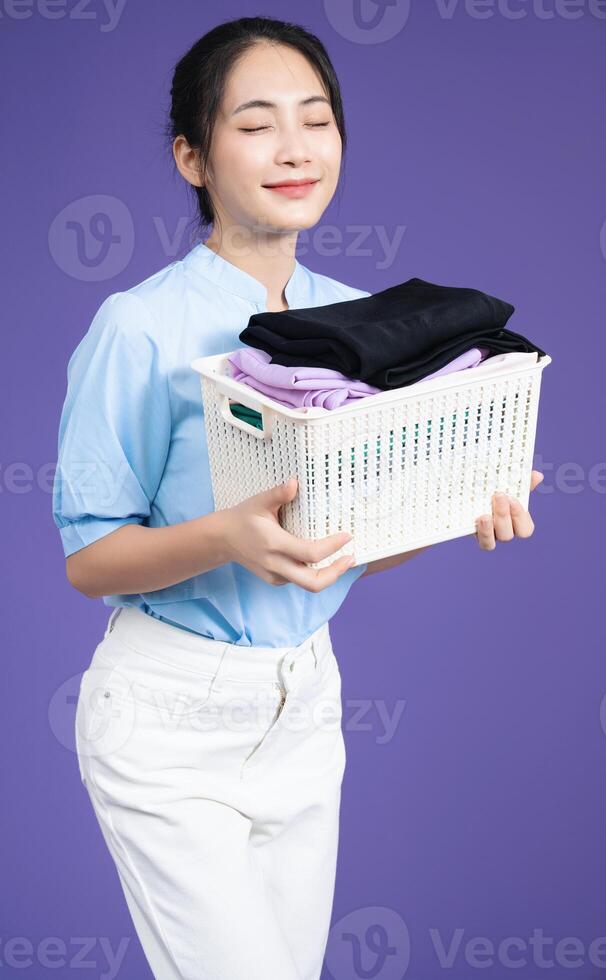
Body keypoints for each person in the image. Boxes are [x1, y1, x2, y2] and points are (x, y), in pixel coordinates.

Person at [53, 16, 543, 980]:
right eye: (256, 124)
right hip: (170, 717)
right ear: (193, 157)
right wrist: (226, 538)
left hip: (306, 706)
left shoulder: (361, 325)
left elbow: (347, 541)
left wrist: (456, 506)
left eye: (317, 121)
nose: (294, 149)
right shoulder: (139, 327)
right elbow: (89, 559)